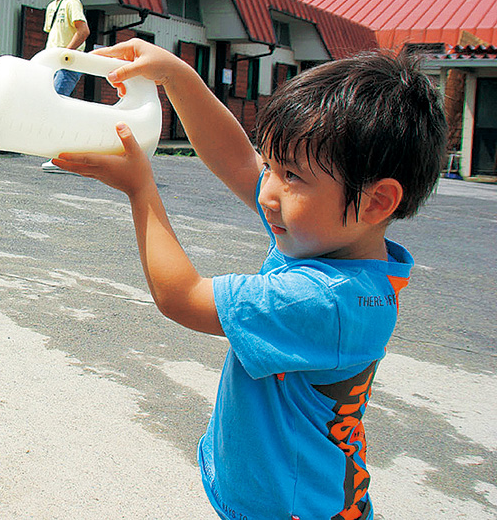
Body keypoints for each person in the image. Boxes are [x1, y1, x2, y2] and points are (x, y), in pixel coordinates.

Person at [54, 41, 446, 520]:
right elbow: (239, 160)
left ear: (377, 201)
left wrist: (141, 189)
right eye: (271, 166)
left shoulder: (323, 298)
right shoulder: (334, 241)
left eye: (291, 176)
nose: (267, 193)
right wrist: (177, 76)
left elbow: (183, 297)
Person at [41, 0, 90, 172]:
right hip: (53, 65)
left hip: (67, 65)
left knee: (56, 107)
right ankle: (64, 155)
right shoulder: (51, 7)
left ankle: (60, 158)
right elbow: (52, 37)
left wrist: (65, 54)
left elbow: (83, 31)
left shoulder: (72, 2)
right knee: (55, 107)